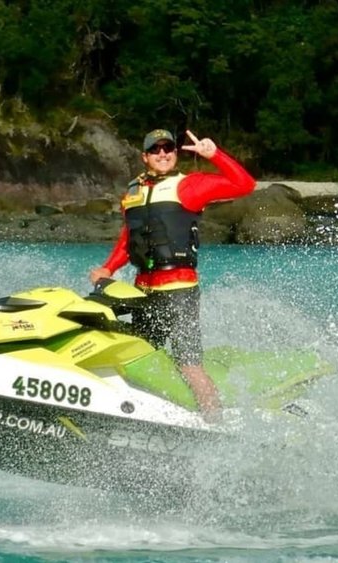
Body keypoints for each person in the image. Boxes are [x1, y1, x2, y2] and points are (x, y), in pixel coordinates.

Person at [89, 128, 256, 421]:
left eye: (168, 148)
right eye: (156, 149)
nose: (163, 153)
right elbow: (128, 240)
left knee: (188, 364)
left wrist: (213, 155)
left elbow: (245, 185)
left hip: (179, 291)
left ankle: (216, 424)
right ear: (145, 157)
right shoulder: (132, 192)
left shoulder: (190, 186)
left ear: (175, 154)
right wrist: (108, 268)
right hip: (142, 292)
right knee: (136, 354)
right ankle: (138, 413)